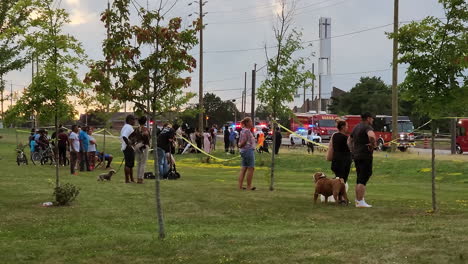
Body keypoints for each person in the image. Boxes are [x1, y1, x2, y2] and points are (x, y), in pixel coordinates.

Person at [348, 112, 376, 208]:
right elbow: (371, 136)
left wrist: (352, 150)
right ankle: (360, 201)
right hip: (365, 156)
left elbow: (349, 140)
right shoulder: (367, 127)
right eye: (372, 118)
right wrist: (373, 145)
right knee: (363, 178)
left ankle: (359, 199)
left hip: (357, 155)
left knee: (359, 178)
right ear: (368, 118)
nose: (373, 120)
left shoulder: (356, 127)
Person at [327, 120, 352, 185]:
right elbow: (350, 148)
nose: (347, 127)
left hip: (335, 161)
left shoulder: (334, 136)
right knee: (342, 180)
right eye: (346, 126)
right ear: (343, 127)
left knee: (338, 178)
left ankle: (335, 191)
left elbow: (331, 147)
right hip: (343, 162)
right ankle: (338, 193)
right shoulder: (345, 138)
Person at [130, 116, 150, 184]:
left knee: (138, 163)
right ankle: (140, 179)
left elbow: (131, 137)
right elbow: (146, 137)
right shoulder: (145, 129)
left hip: (137, 145)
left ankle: (138, 178)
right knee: (143, 163)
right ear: (145, 122)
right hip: (143, 146)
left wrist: (133, 144)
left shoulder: (136, 129)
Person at [238, 117, 256, 190]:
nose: (252, 123)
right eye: (251, 122)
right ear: (247, 123)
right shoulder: (247, 131)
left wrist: (240, 147)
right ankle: (249, 186)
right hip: (248, 150)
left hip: (243, 151)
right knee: (251, 168)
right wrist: (240, 145)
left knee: (244, 168)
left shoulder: (242, 130)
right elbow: (244, 141)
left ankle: (240, 186)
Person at [121, 115, 136, 183]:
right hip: (128, 148)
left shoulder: (127, 126)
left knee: (130, 164)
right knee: (128, 164)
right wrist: (129, 145)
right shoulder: (128, 127)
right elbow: (124, 136)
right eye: (133, 120)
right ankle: (127, 179)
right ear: (130, 120)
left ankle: (131, 179)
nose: (134, 121)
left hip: (128, 147)